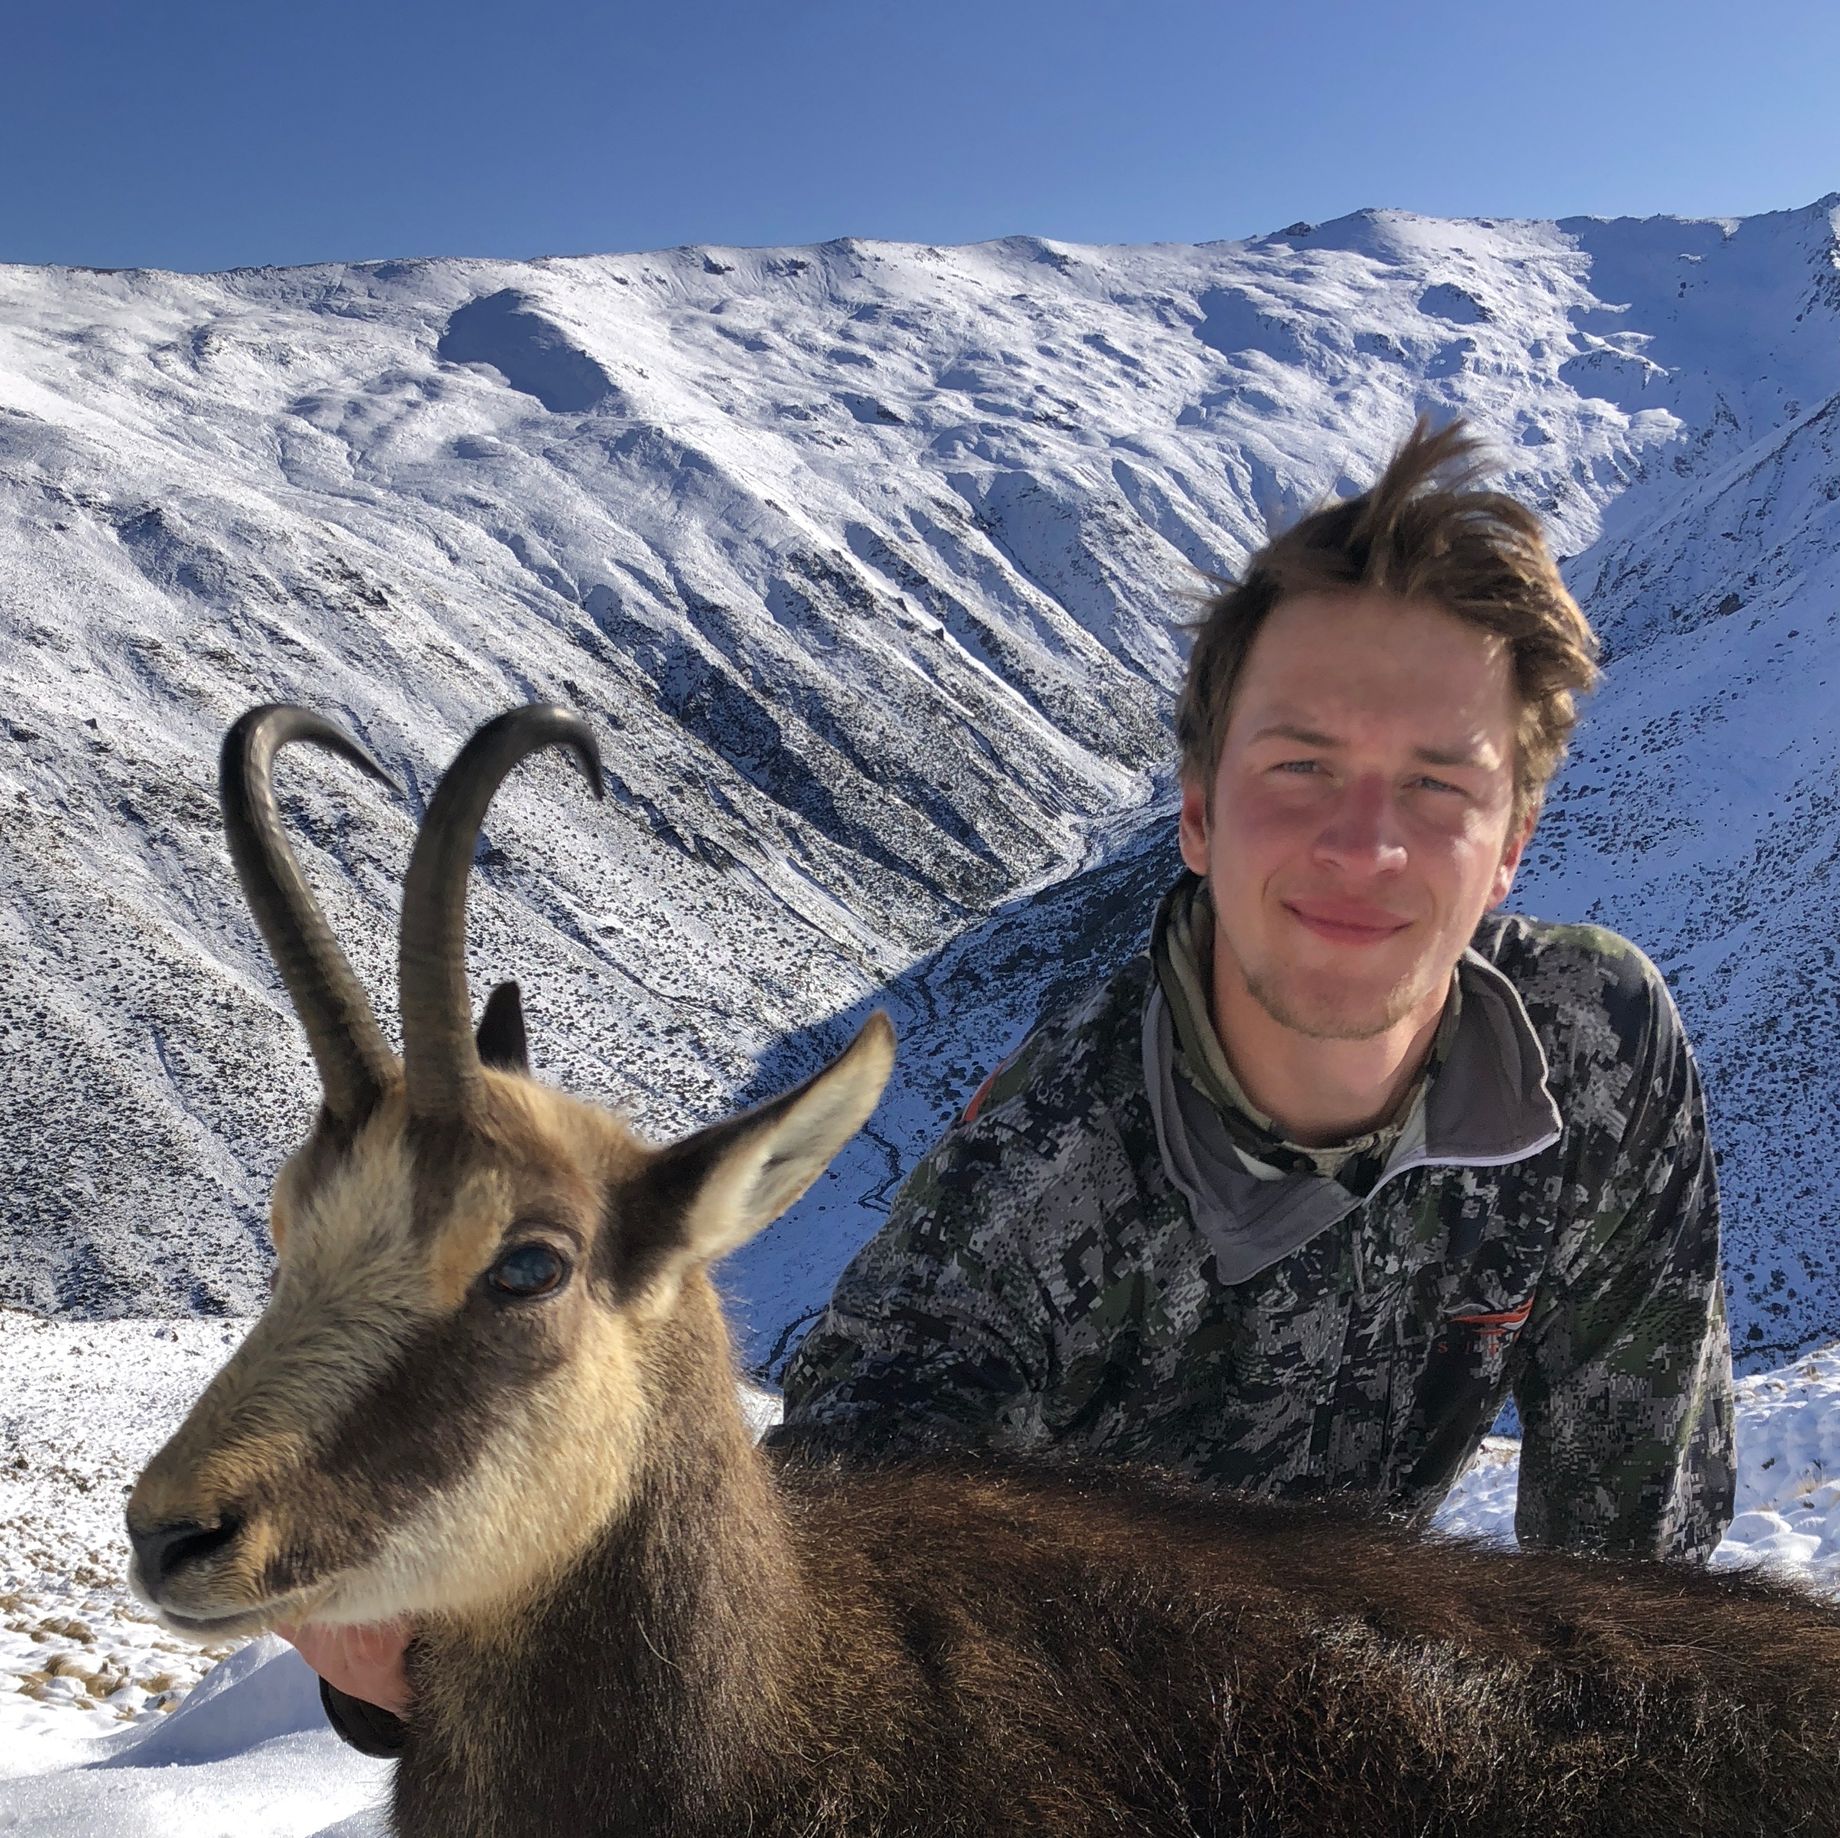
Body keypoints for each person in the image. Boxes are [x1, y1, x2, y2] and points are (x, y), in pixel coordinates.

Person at [299, 420, 1734, 1745]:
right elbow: (808, 1585)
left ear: (1515, 842)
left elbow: (1629, 1584)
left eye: (1438, 785)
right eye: (1302, 766)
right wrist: (441, 1658)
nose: (1369, 845)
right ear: (1193, 808)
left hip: (1394, 1757)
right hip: (1069, 1798)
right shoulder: (1041, 1188)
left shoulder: (1596, 1052)